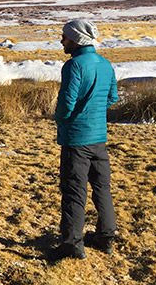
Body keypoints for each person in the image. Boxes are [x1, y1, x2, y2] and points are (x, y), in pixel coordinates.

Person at [48, 20, 118, 261]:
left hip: (76, 139)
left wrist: (62, 121)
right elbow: (112, 97)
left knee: (74, 191)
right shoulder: (106, 64)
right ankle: (106, 238)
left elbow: (66, 104)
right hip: (99, 138)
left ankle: (72, 245)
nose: (61, 41)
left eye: (65, 37)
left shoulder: (73, 66)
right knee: (102, 188)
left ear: (76, 40)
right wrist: (95, 113)